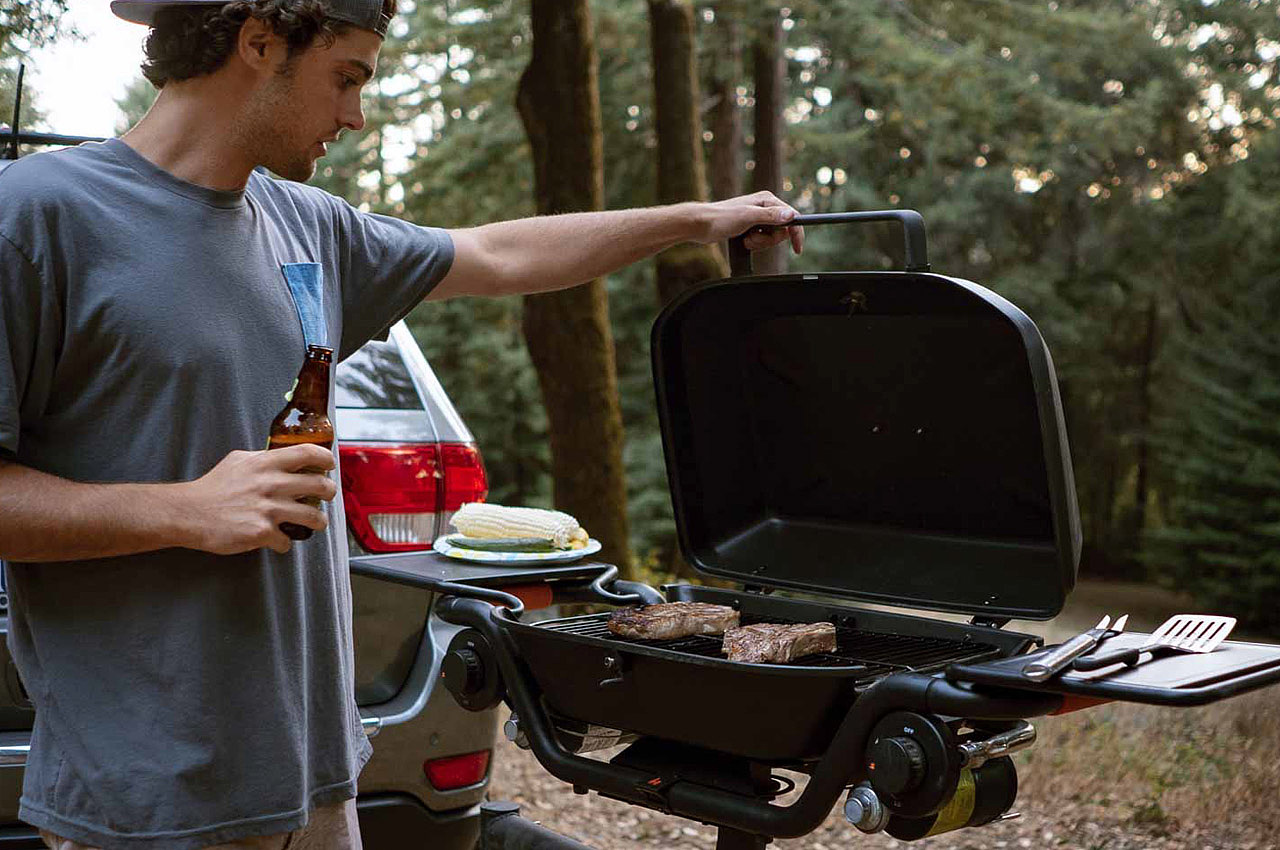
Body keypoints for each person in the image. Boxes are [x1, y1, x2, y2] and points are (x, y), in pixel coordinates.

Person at [0, 0, 803, 847]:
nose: (355, 115)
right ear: (258, 43)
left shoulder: (306, 225)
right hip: (147, 802)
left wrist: (696, 220)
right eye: (345, 78)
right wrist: (186, 510)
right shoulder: (38, 217)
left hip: (316, 780)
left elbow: (498, 254)